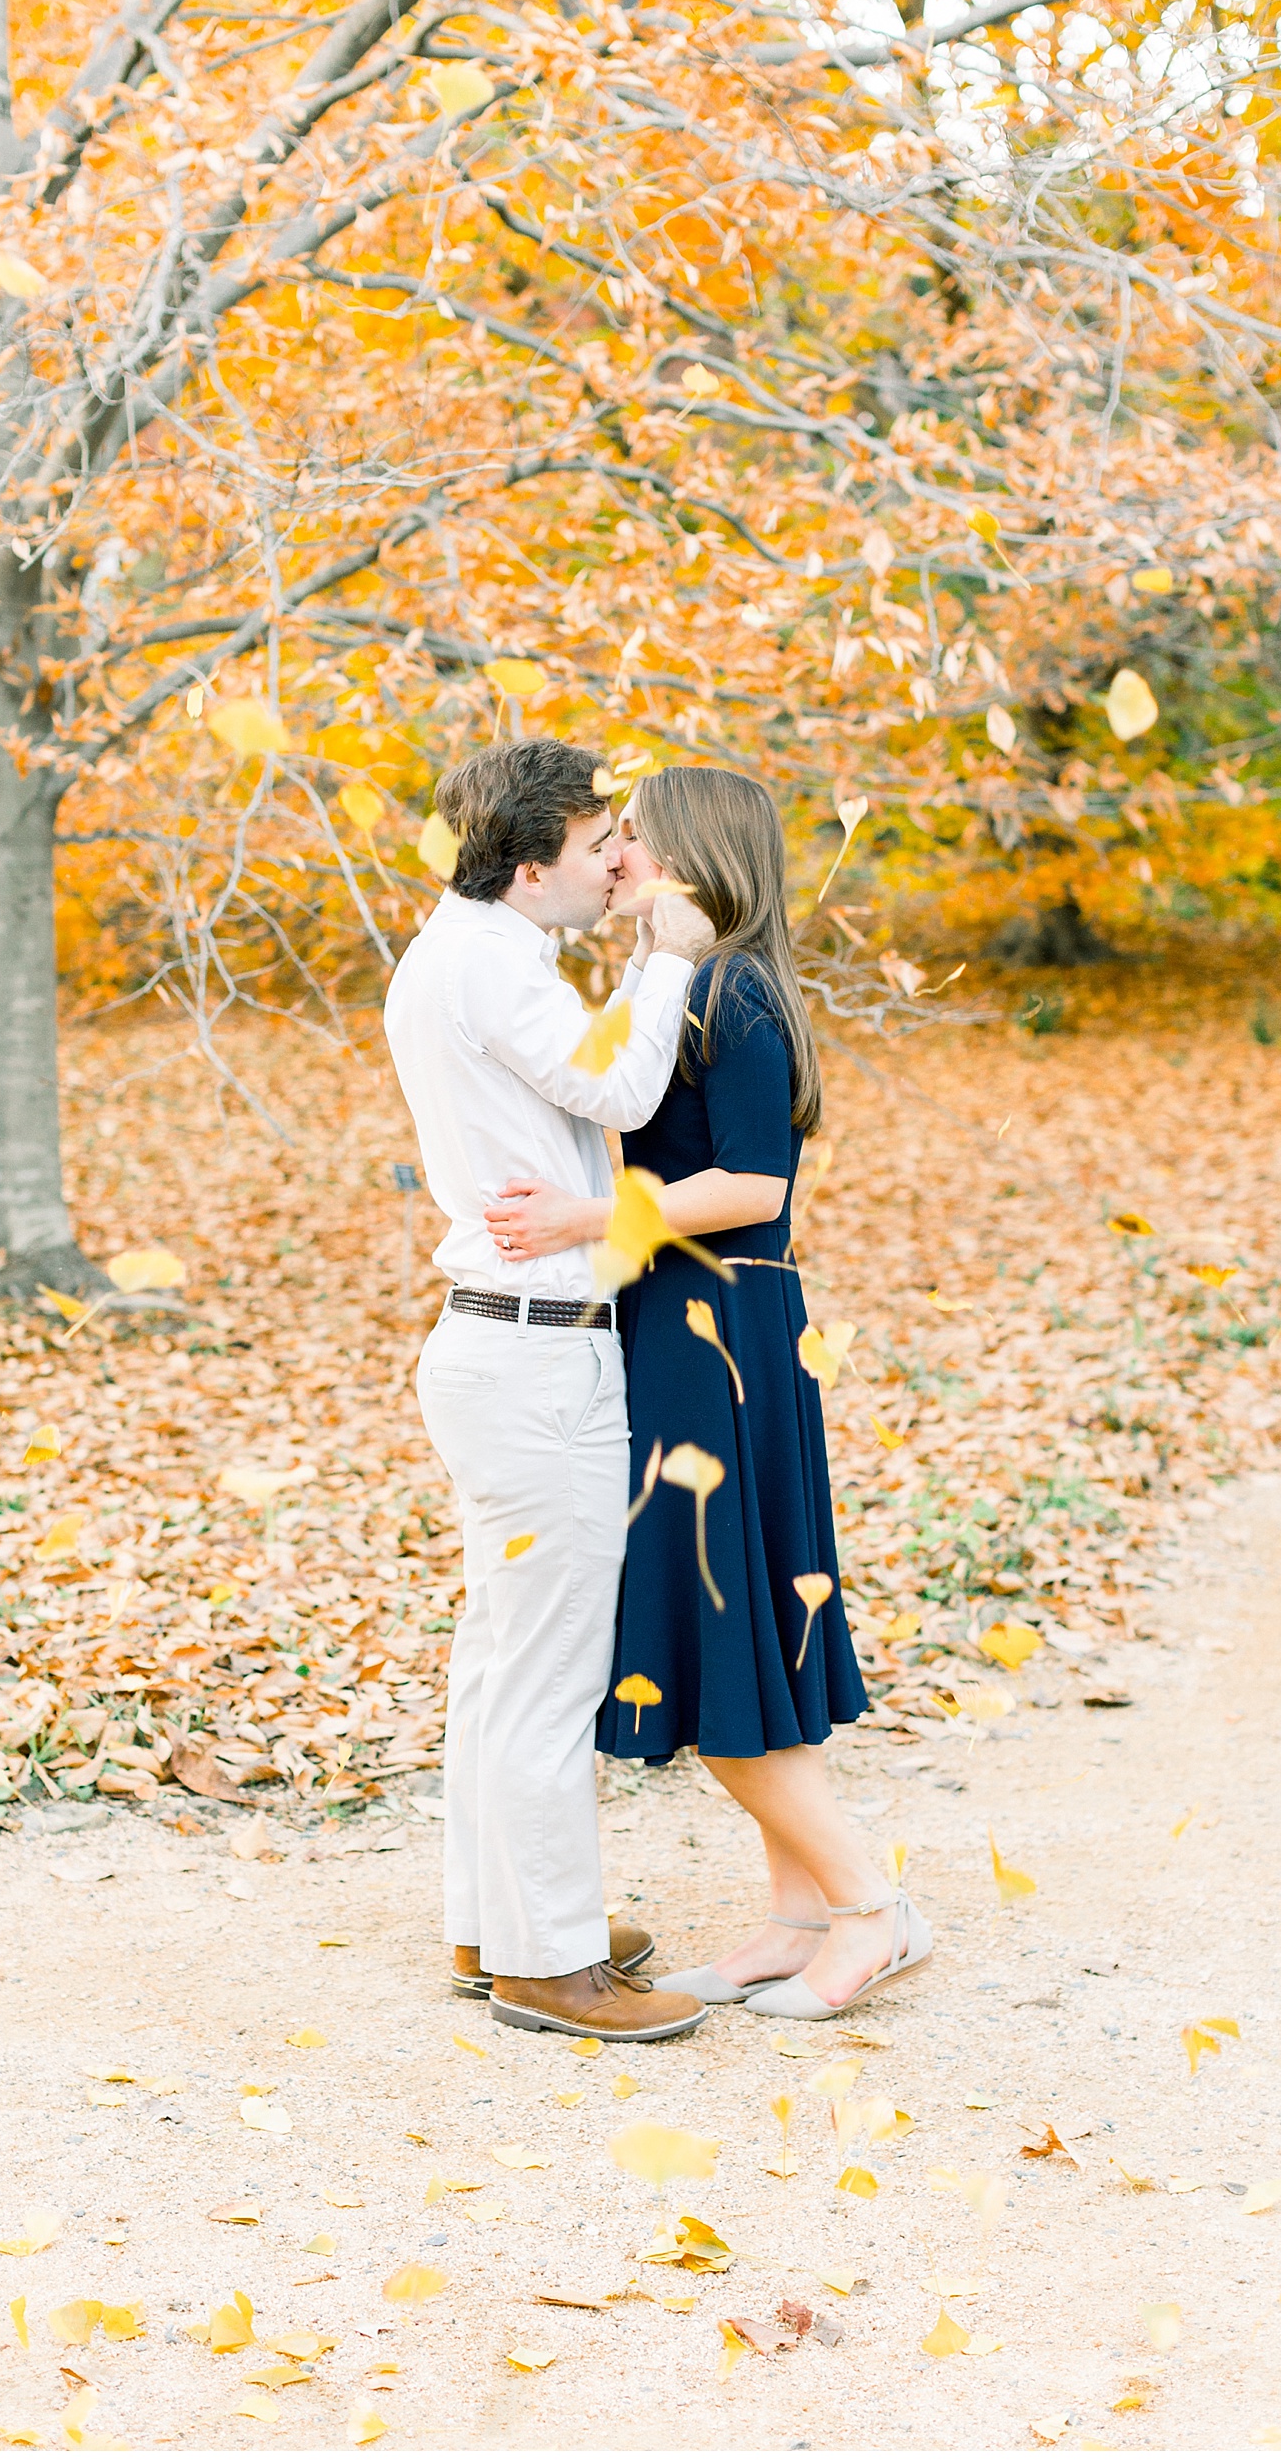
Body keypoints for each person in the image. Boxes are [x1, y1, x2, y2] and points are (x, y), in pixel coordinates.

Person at [485, 766, 931, 2021]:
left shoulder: (731, 988)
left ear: (687, 852)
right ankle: (794, 1916)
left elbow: (753, 1186)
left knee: (715, 1628)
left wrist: (586, 1214)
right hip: (704, 1322)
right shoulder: (690, 978)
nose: (613, 852)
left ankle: (867, 1908)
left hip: (711, 1325)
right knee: (751, 1645)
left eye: (631, 833)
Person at [383, 737, 718, 2043]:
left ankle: (495, 1919)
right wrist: (671, 950)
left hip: (508, 1338)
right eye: (597, 847)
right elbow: (625, 1083)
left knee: (500, 1655)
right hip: (532, 1352)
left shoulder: (469, 950)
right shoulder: (494, 964)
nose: (618, 863)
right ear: (533, 867)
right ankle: (550, 1960)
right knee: (545, 1667)